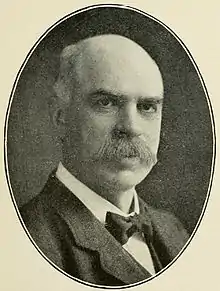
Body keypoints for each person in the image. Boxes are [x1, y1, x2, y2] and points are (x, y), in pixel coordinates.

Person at [20, 34, 189, 287]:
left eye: (147, 107)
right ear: (60, 115)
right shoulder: (27, 241)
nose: (131, 127)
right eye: (106, 102)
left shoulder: (175, 231)